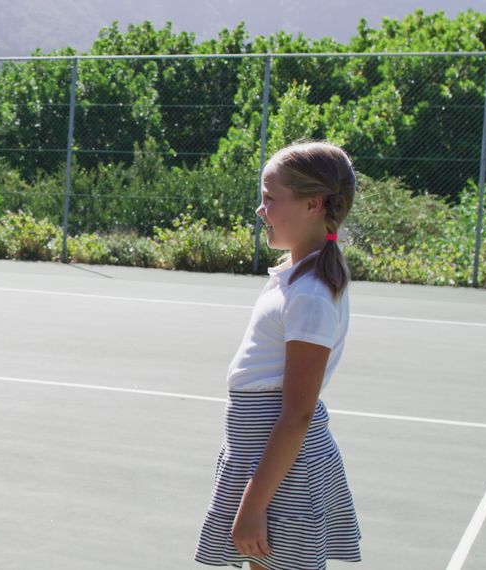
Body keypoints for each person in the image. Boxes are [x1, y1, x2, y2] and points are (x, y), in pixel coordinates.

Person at [194, 141, 362, 570]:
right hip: (263, 458)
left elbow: (297, 415)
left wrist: (253, 506)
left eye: (270, 198)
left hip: (282, 470)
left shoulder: (310, 294)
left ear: (313, 204)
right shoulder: (296, 277)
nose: (260, 209)